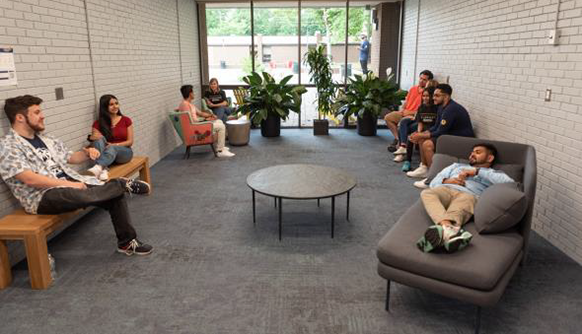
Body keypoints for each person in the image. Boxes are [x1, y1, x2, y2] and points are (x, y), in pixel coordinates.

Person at [0, 95, 153, 256]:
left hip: (73, 182)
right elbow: (29, 179)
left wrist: (87, 152)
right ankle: (120, 184)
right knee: (105, 190)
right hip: (42, 196)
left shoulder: (47, 139)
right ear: (20, 117)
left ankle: (127, 243)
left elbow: (71, 158)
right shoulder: (8, 146)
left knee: (114, 196)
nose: (42, 115)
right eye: (37, 112)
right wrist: (71, 185)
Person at [416, 143, 514, 253]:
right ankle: (449, 230)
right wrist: (447, 181)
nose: (472, 154)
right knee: (427, 193)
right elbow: (433, 182)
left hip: (469, 195)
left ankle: (444, 231)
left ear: (490, 158)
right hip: (446, 189)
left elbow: (509, 183)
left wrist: (477, 171)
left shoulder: (493, 174)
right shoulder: (456, 166)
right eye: (472, 152)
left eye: (478, 152)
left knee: (458, 210)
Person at [408, 83, 475, 188]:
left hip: (462, 141)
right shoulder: (441, 107)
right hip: (449, 136)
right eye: (434, 95)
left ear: (446, 96)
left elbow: (441, 132)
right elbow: (436, 127)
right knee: (422, 139)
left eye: (437, 96)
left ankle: (433, 178)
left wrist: (421, 135)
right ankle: (425, 168)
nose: (433, 98)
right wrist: (420, 134)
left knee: (427, 144)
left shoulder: (451, 109)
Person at [178, 85, 235, 158]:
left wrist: (211, 115)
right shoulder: (185, 105)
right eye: (193, 92)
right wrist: (204, 121)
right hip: (196, 128)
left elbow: (201, 113)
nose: (194, 94)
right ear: (190, 94)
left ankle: (221, 146)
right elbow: (190, 121)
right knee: (221, 126)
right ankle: (220, 151)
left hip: (196, 125)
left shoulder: (188, 104)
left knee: (219, 121)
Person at [87, 95, 134, 181]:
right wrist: (91, 137)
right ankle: (103, 169)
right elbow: (95, 140)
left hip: (124, 153)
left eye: (116, 103)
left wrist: (115, 145)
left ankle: (99, 166)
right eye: (111, 104)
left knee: (113, 147)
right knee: (98, 140)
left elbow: (130, 142)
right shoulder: (98, 123)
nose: (115, 106)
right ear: (105, 107)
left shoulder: (126, 120)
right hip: (108, 155)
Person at [385, 70, 433, 152]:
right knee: (388, 117)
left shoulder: (427, 94)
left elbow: (423, 110)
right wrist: (402, 110)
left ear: (429, 81)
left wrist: (410, 113)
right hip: (405, 112)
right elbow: (406, 102)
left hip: (413, 115)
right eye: (420, 78)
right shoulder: (413, 89)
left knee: (403, 123)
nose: (421, 81)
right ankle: (398, 139)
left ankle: (400, 144)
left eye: (424, 80)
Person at [394, 86, 438, 173]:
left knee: (417, 136)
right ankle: (408, 161)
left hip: (431, 131)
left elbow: (437, 124)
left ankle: (423, 164)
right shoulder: (421, 107)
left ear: (432, 96)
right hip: (423, 130)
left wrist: (423, 134)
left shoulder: (436, 108)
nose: (425, 98)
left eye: (427, 96)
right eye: (423, 96)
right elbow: (420, 123)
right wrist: (418, 133)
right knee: (411, 137)